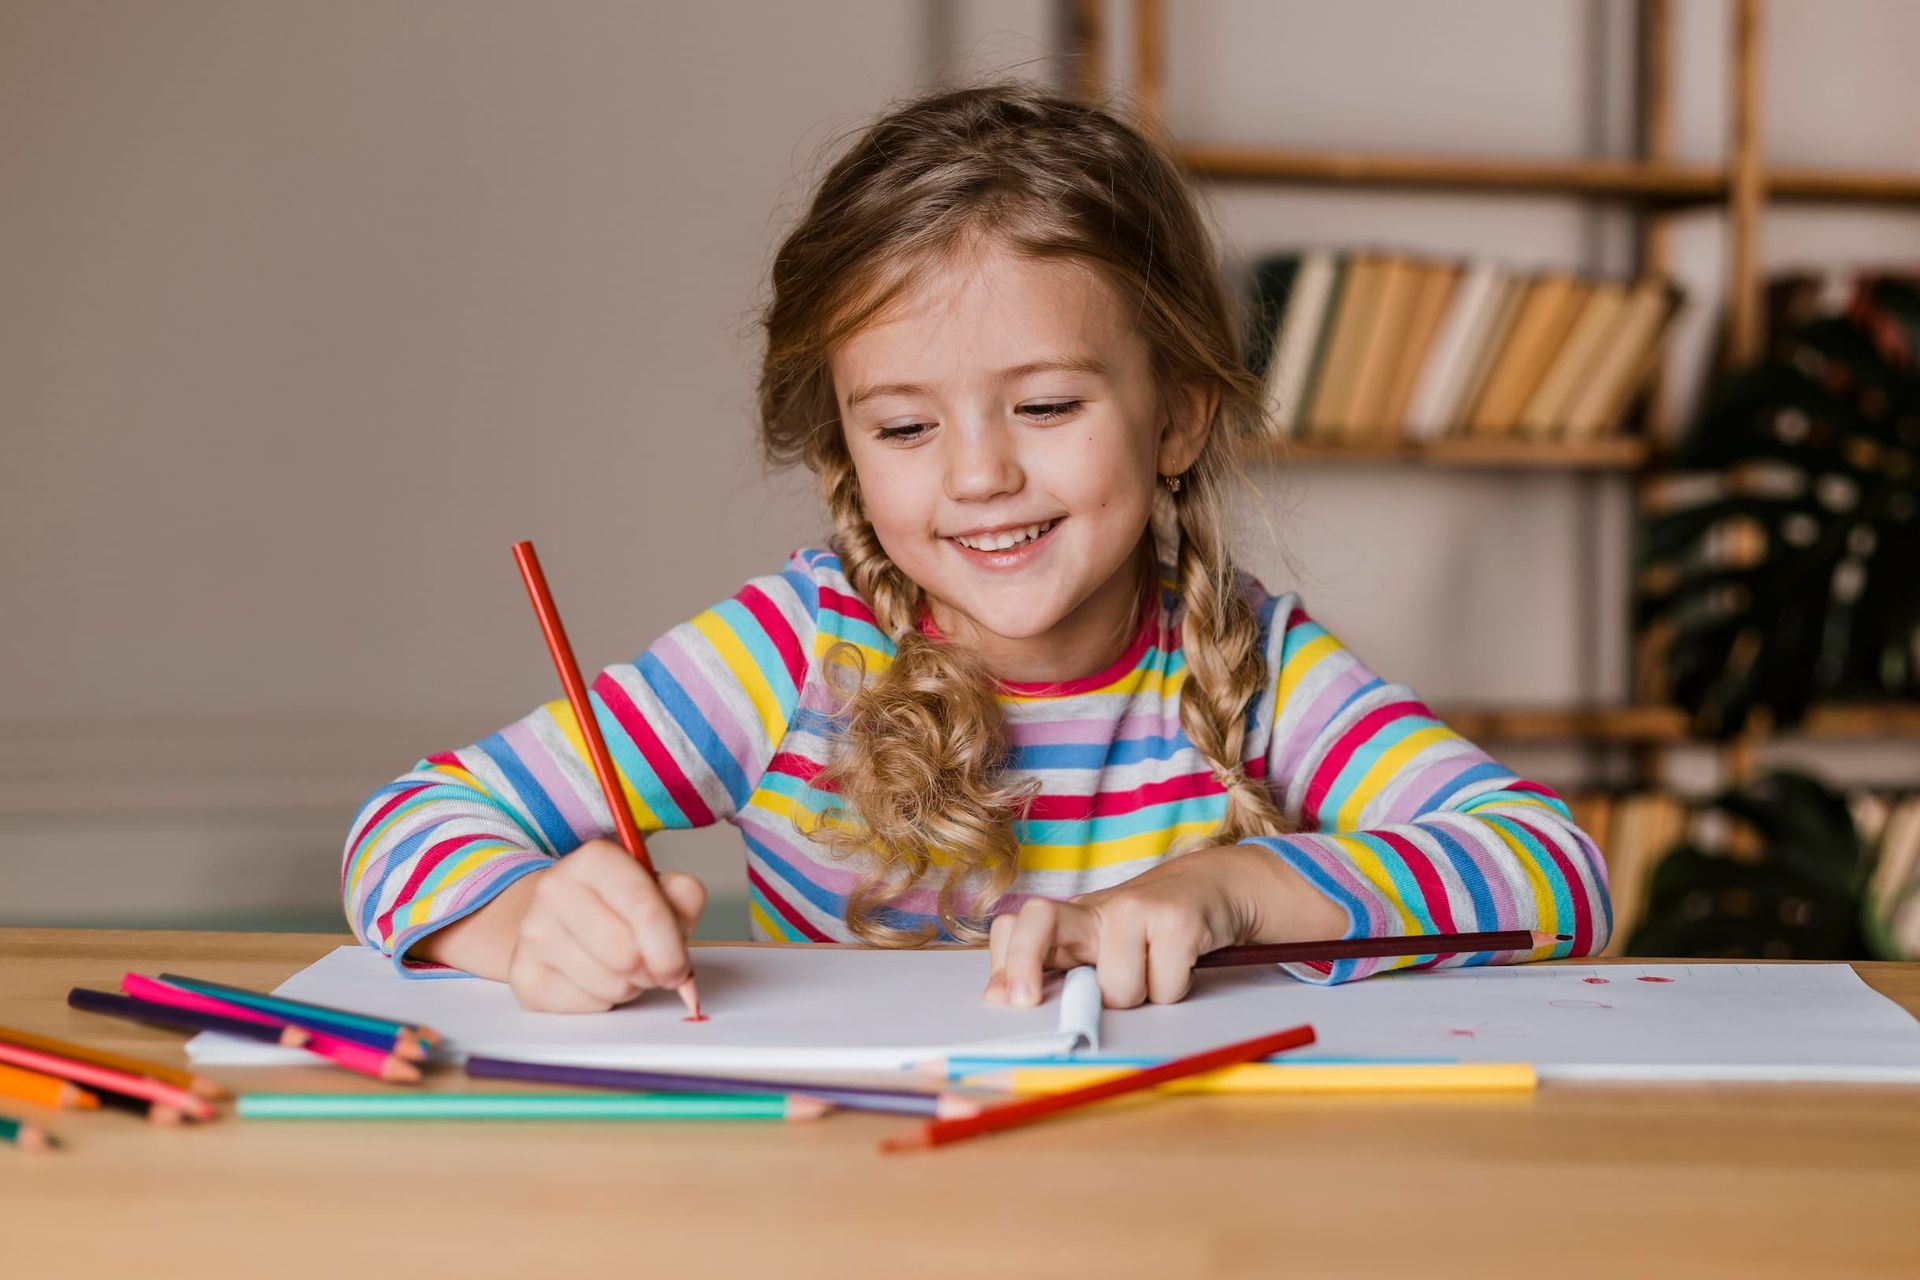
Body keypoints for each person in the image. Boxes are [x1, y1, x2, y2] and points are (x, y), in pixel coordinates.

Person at [340, 82, 1610, 1014]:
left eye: (1047, 405)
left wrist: (1227, 887)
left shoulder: (1252, 660)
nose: (979, 473)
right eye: (904, 423)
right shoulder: (790, 654)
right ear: (845, 440)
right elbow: (408, 824)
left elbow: (1557, 873)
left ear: (1176, 414)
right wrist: (520, 924)